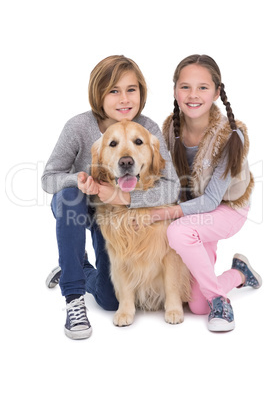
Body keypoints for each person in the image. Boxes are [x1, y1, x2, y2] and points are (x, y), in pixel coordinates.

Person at [42, 55, 180, 340]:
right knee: (69, 195)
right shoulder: (78, 127)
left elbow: (172, 187)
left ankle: (76, 265)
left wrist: (121, 197)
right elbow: (48, 178)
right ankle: (73, 296)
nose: (124, 98)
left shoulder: (148, 128)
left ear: (141, 92)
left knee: (108, 300)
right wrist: (79, 180)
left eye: (132, 89)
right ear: (98, 93)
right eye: (113, 90)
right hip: (81, 209)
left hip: (116, 217)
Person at [147, 54, 262, 332]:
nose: (193, 95)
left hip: (227, 208)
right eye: (185, 86)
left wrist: (171, 212)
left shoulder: (231, 134)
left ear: (217, 92)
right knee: (197, 305)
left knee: (177, 232)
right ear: (175, 90)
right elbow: (163, 178)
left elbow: (211, 200)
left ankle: (221, 303)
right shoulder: (169, 129)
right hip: (193, 213)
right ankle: (239, 274)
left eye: (203, 87)